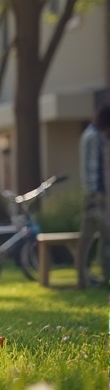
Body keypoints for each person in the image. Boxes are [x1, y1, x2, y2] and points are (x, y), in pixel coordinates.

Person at [77, 103, 110, 284]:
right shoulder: (93, 137)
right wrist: (96, 194)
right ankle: (103, 276)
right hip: (95, 197)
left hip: (94, 196)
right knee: (103, 236)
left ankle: (84, 278)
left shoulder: (95, 136)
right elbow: (92, 168)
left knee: (87, 239)